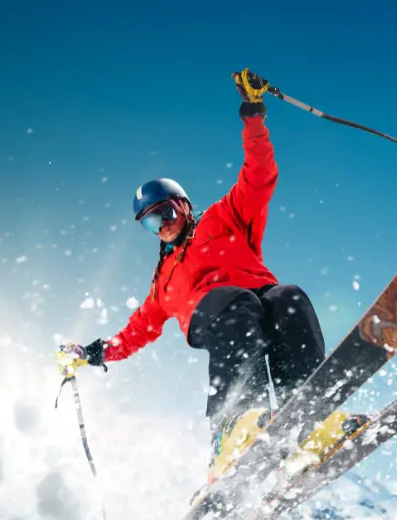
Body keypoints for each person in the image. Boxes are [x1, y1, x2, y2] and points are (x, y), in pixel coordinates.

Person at [63, 68, 326, 479]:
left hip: (260, 298)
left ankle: (307, 415)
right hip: (217, 315)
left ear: (183, 206)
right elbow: (137, 332)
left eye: (165, 213)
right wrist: (94, 352)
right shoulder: (164, 280)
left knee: (288, 297)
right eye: (150, 223)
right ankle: (233, 427)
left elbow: (258, 177)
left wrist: (253, 116)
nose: (162, 226)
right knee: (236, 304)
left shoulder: (224, 218)